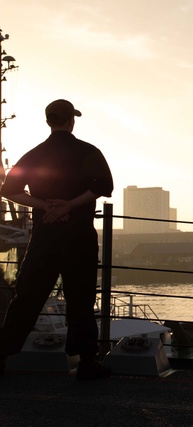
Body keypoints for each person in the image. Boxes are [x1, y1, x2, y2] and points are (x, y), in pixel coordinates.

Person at [0, 99, 113, 380]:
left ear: (49, 121)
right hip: (79, 237)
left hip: (45, 237)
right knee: (81, 298)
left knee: (27, 297)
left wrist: (44, 205)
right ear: (70, 120)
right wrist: (69, 205)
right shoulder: (88, 151)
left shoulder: (35, 154)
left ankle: (2, 354)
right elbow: (104, 187)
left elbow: (10, 190)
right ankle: (87, 361)